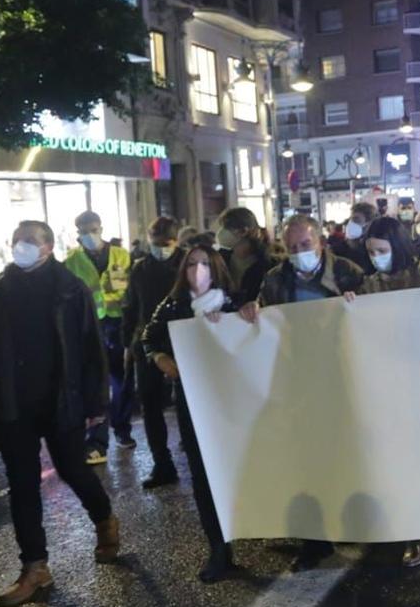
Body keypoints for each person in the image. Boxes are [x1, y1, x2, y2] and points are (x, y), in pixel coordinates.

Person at [0, 221, 119, 607]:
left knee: (72, 469)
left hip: (60, 400)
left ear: (48, 247)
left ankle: (104, 518)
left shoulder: (70, 290)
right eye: (18, 240)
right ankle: (35, 567)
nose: (22, 247)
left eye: (31, 241)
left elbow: (90, 350)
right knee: (22, 484)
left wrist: (96, 404)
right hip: (13, 404)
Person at [239, 214, 364, 570]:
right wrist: (252, 311)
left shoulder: (348, 273)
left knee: (347, 451)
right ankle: (315, 538)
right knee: (307, 458)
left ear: (321, 242)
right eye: (291, 248)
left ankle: (353, 521)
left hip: (343, 377)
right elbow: (265, 320)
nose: (298, 253)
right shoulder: (275, 280)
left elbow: (375, 318)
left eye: (305, 245)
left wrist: (359, 304)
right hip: (299, 381)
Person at [141, 240, 239, 582]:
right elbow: (148, 339)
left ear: (217, 269)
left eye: (205, 264)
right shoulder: (171, 307)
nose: (198, 271)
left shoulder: (233, 302)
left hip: (236, 399)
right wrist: (162, 359)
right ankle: (218, 547)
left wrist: (245, 315)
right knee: (203, 472)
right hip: (193, 399)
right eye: (191, 264)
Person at [356, 214, 420, 569]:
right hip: (389, 383)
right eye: (370, 251)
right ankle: (412, 531)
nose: (376, 257)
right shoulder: (369, 286)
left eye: (381, 250)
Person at [63, 211, 134, 462]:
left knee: (121, 380)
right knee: (95, 383)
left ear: (101, 228)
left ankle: (122, 429)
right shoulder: (71, 260)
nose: (89, 235)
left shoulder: (121, 255)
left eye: (93, 230)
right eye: (83, 231)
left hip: (118, 324)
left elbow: (130, 291)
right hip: (89, 327)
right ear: (78, 233)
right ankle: (97, 442)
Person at [124, 217, 184, 490]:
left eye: (166, 243)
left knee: (188, 403)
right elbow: (131, 307)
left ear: (177, 241)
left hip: (184, 341)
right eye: (155, 243)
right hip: (149, 343)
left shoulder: (188, 263)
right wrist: (129, 343)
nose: (160, 248)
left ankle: (200, 458)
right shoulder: (140, 268)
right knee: (150, 405)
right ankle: (162, 463)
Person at [215, 207, 275, 307]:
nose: (221, 232)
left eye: (226, 228)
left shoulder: (267, 264)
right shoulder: (219, 259)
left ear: (243, 231)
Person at [333, 205, 375, 274]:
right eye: (350, 219)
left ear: (368, 224)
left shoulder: (373, 253)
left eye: (356, 219)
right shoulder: (337, 251)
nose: (350, 224)